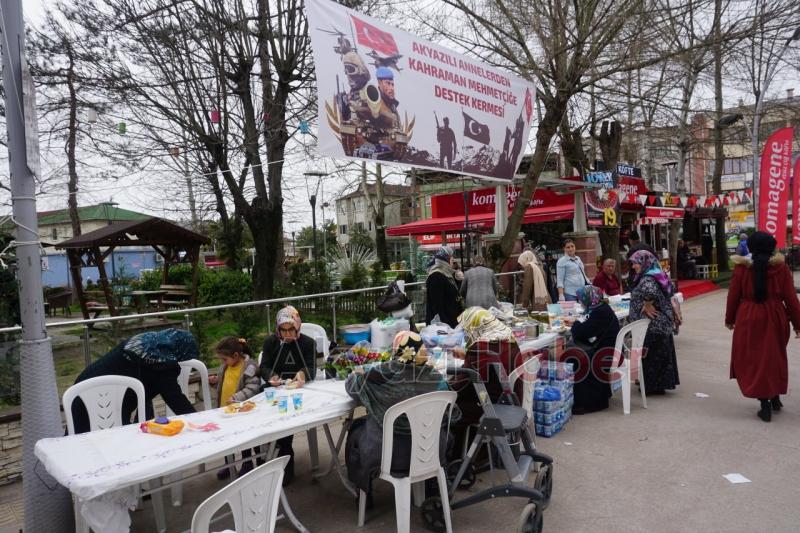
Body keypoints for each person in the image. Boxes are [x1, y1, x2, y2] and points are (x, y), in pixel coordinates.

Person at [344, 331, 455, 498]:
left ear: (396, 351)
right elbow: (449, 412)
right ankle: (433, 485)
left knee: (355, 431)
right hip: (429, 452)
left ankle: (363, 492)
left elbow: (351, 386)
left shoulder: (378, 375)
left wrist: (360, 372)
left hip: (386, 456)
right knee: (444, 431)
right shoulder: (436, 378)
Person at [725, 231, 800, 422]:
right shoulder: (781, 268)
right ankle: (774, 397)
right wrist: (798, 323)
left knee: (754, 360)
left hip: (748, 316)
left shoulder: (742, 269)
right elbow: (791, 298)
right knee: (773, 357)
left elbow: (733, 295)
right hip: (775, 316)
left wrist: (730, 318)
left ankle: (765, 403)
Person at [70, 328, 198, 434]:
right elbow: (175, 398)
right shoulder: (162, 362)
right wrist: (200, 421)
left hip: (84, 388)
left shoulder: (149, 344)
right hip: (98, 400)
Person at [260, 306, 318, 484]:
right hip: (276, 387)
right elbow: (264, 367)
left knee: (285, 418)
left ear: (298, 327)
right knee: (261, 411)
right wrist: (272, 376)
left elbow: (312, 368)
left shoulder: (308, 343)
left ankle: (286, 457)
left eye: (291, 329)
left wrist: (301, 374)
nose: (287, 334)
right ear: (278, 329)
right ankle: (261, 458)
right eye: (283, 330)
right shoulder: (271, 342)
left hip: (299, 389)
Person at [209, 337, 262, 479]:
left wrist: (236, 398)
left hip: (241, 412)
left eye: (224, 359)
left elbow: (253, 387)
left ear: (236, 355)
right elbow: (224, 384)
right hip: (225, 411)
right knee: (226, 440)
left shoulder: (249, 367)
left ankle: (247, 463)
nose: (222, 362)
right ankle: (229, 464)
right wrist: (215, 382)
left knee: (243, 439)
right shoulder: (226, 366)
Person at [628, 250, 680, 395]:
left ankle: (651, 386)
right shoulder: (656, 273)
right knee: (659, 355)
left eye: (635, 263)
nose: (633, 266)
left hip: (653, 325)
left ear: (644, 262)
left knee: (652, 356)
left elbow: (649, 291)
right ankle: (658, 385)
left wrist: (647, 303)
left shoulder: (648, 278)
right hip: (661, 324)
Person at [563, 286, 620, 414]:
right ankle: (596, 397)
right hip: (607, 349)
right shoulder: (601, 308)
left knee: (575, 357)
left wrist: (576, 323)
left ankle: (589, 403)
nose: (580, 302)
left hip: (604, 353)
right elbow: (588, 328)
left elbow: (581, 332)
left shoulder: (600, 312)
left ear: (588, 298)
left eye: (581, 299)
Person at [425, 246, 464, 327]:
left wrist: (458, 280)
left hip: (452, 322)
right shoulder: (436, 276)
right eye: (451, 258)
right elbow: (437, 306)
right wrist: (446, 326)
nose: (453, 261)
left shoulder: (447, 274)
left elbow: (452, 293)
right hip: (443, 327)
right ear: (445, 259)